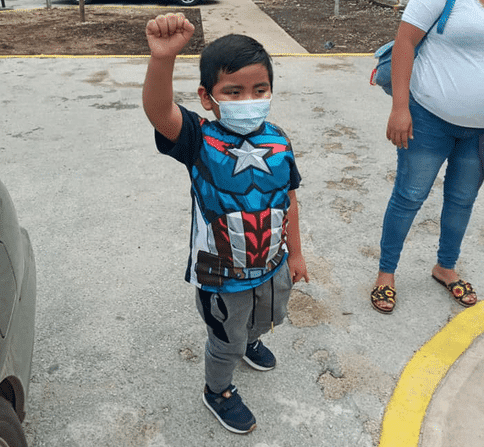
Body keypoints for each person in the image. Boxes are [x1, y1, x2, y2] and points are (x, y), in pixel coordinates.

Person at [143, 13, 309, 433]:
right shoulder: (199, 138)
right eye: (232, 91)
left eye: (259, 89)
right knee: (224, 338)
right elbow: (160, 110)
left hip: (272, 263)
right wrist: (162, 59)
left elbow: (288, 196)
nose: (248, 99)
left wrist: (298, 253)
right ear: (207, 96)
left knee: (267, 317)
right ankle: (218, 389)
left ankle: (251, 340)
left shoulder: (278, 138)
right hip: (221, 273)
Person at [371, 0, 484, 313]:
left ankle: (445, 267)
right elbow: (406, 41)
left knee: (463, 199)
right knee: (409, 196)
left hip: (479, 132)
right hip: (429, 119)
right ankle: (386, 274)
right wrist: (399, 108)